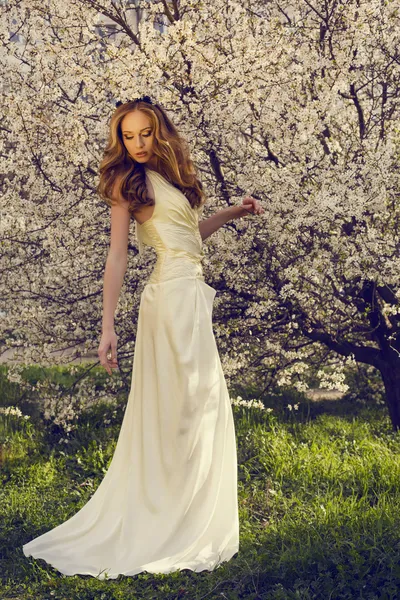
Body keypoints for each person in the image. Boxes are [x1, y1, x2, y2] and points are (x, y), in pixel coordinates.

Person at [22, 96, 264, 579]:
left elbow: (190, 236)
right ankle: (167, 518)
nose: (135, 143)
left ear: (160, 132)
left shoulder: (171, 178)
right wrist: (107, 325)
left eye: (143, 134)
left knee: (197, 404)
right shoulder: (125, 184)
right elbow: (118, 257)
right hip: (169, 300)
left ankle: (185, 512)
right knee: (183, 407)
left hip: (188, 294)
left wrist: (234, 213)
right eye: (127, 136)